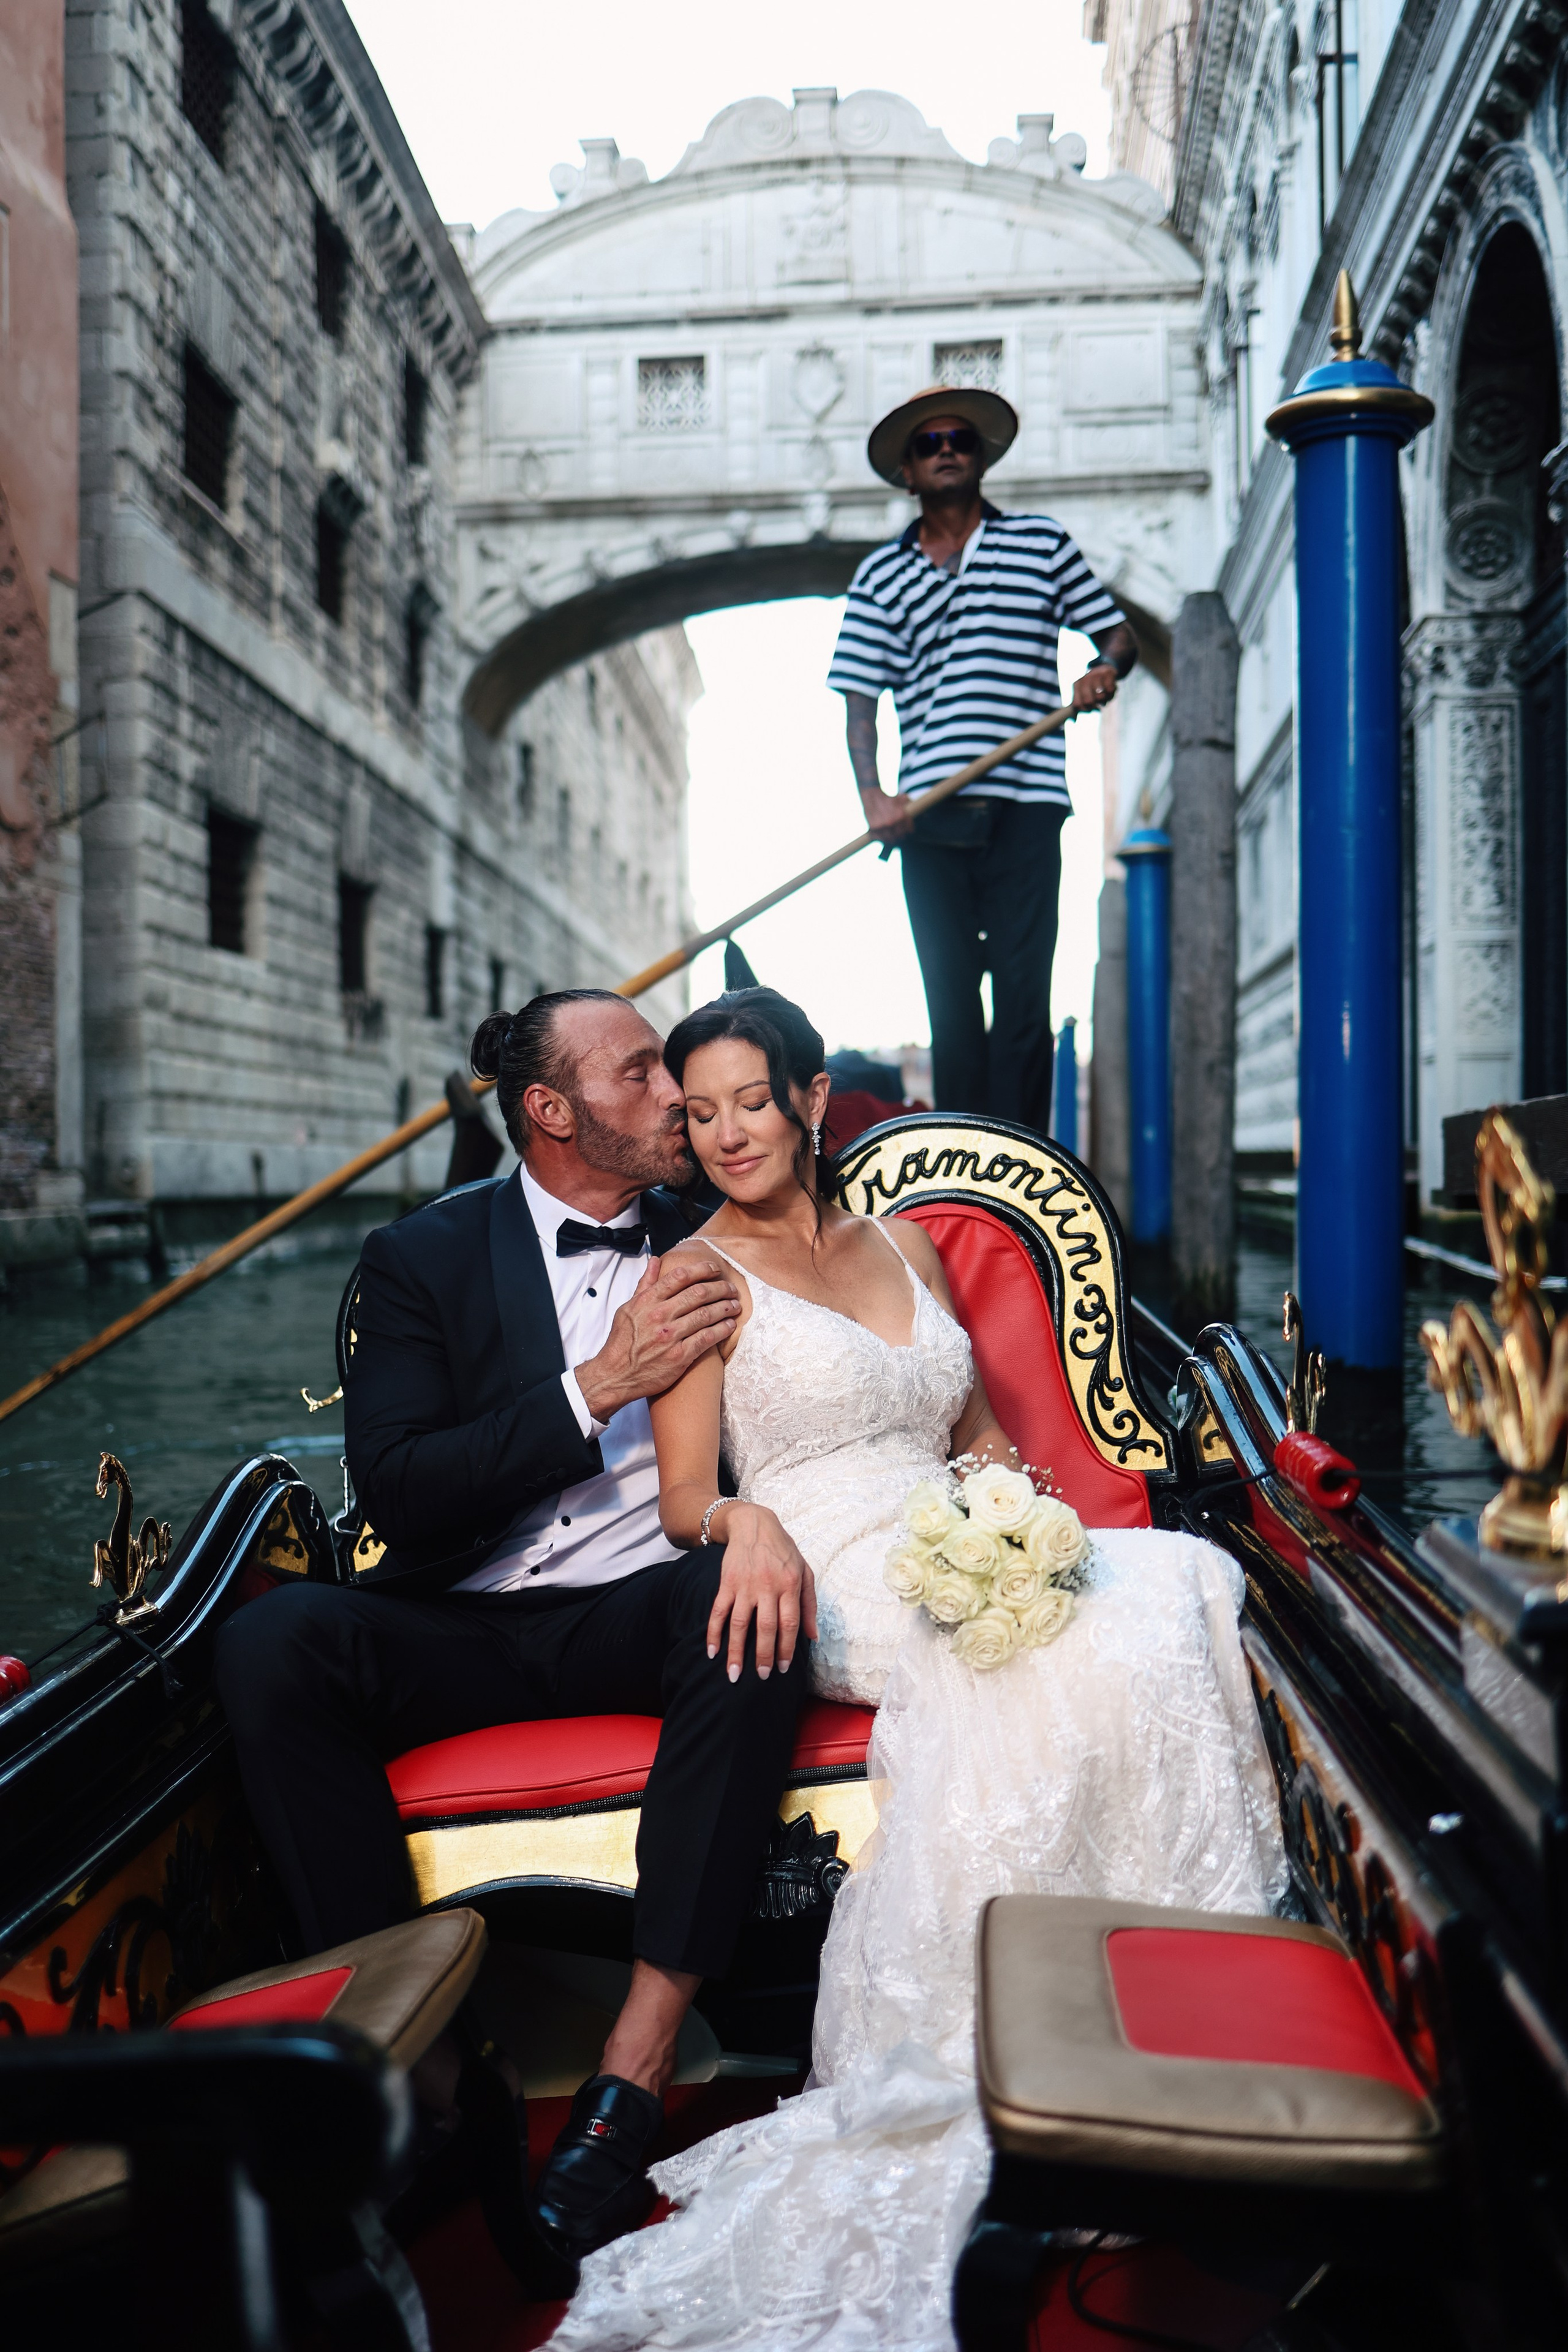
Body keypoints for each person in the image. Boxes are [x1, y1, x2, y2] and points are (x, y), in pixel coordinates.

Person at [552, 988, 1288, 2350]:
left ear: (811, 1101)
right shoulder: (693, 1278)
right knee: (1100, 1637)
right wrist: (746, 1517)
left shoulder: (905, 1247)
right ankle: (1047, 2054)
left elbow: (987, 1434)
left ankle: (1166, 2044)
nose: (724, 1134)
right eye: (697, 1111)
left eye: (749, 1102)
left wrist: (1010, 1522)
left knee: (1180, 1579)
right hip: (826, 1568)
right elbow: (679, 1503)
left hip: (949, 1528)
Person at [214, 989, 815, 2283]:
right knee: (275, 1647)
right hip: (463, 1620)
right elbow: (400, 1491)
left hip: (636, 1604)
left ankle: (636, 2063)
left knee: (746, 1610)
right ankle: (420, 2071)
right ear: (549, 1111)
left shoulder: (714, 1230)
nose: (674, 1096)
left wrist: (751, 1519)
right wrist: (604, 1380)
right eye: (644, 1072)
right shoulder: (417, 1257)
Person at [827, 385, 1138, 1134]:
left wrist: (1103, 669)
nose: (945, 451)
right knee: (953, 1008)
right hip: (928, 817)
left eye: (959, 440)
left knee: (1025, 1002)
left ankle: (1023, 1159)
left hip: (1027, 805)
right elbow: (859, 700)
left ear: (979, 457)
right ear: (908, 470)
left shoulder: (1039, 543)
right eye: (929, 444)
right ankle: (969, 1171)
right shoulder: (879, 577)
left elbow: (1118, 635)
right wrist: (874, 797)